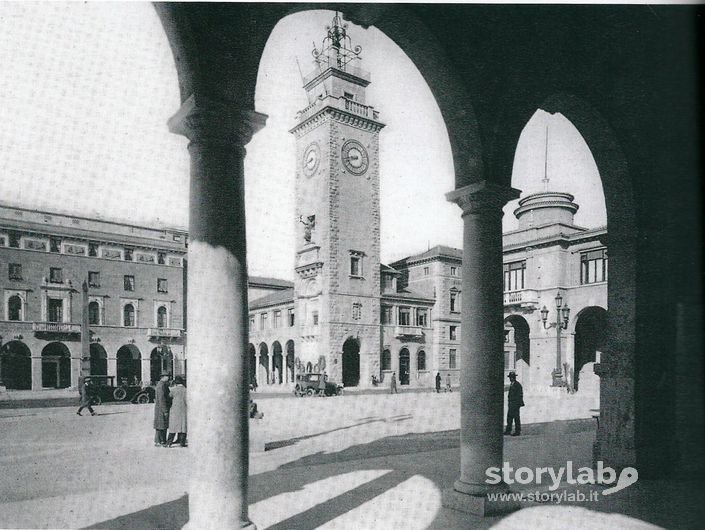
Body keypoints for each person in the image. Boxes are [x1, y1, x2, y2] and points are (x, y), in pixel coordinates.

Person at [167, 375, 187, 447]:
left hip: (175, 410)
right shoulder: (185, 390)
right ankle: (182, 442)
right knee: (183, 426)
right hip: (183, 409)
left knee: (173, 426)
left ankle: (169, 442)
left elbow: (169, 397)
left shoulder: (173, 390)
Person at [153, 372, 171, 447]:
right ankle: (161, 441)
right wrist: (165, 410)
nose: (169, 378)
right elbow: (162, 399)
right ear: (163, 377)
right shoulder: (162, 385)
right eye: (167, 376)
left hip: (159, 408)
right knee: (162, 425)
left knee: (160, 425)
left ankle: (158, 441)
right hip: (162, 408)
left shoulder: (161, 384)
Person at [505, 371, 525, 436]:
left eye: (512, 377)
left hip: (515, 404)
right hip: (511, 404)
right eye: (510, 377)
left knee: (516, 418)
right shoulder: (512, 384)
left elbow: (519, 395)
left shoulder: (517, 385)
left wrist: (517, 404)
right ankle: (508, 430)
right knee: (509, 417)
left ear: (514, 377)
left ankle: (517, 431)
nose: (510, 379)